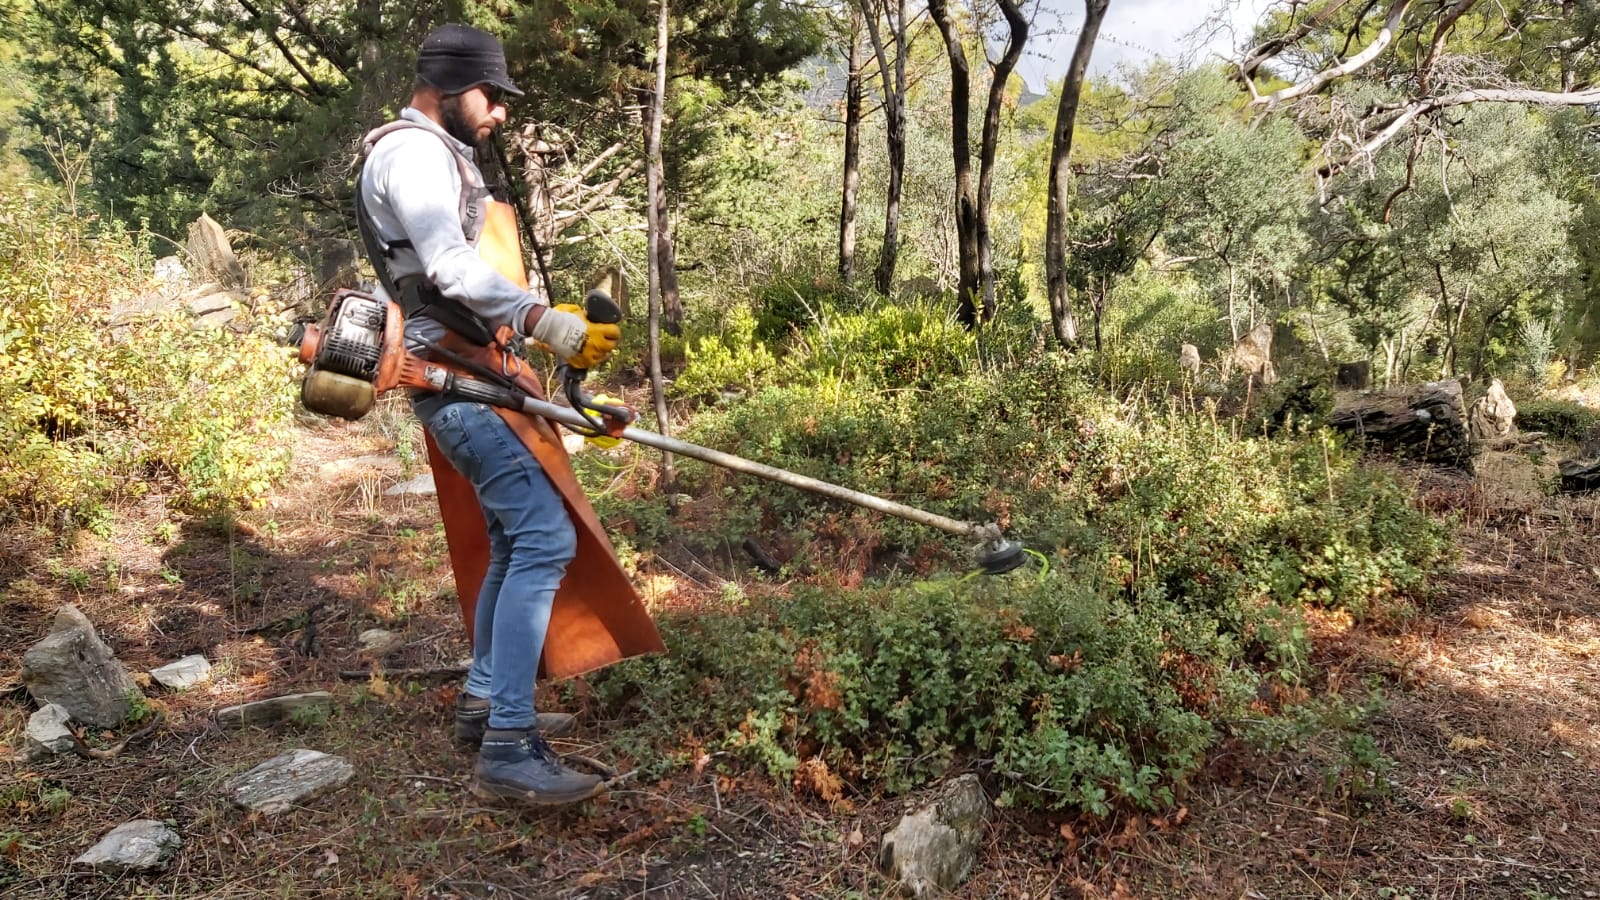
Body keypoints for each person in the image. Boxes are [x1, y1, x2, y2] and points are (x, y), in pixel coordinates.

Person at [356, 23, 627, 807]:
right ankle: (509, 744)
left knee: (517, 536)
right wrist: (544, 319)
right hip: (454, 381)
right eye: (492, 96)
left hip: (475, 371)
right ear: (447, 87)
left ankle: (484, 702)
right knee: (543, 535)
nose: (500, 113)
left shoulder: (439, 155)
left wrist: (552, 359)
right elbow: (447, 266)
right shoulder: (410, 155)